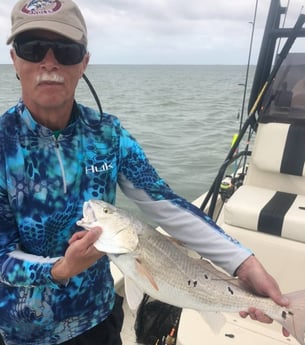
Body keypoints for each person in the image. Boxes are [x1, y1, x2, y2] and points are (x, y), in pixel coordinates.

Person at [0, 0, 289, 344]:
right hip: (25, 332)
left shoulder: (107, 134)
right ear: (15, 59)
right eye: (32, 48)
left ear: (84, 62)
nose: (50, 62)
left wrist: (244, 263)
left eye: (66, 50)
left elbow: (164, 203)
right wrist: (60, 269)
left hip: (100, 318)